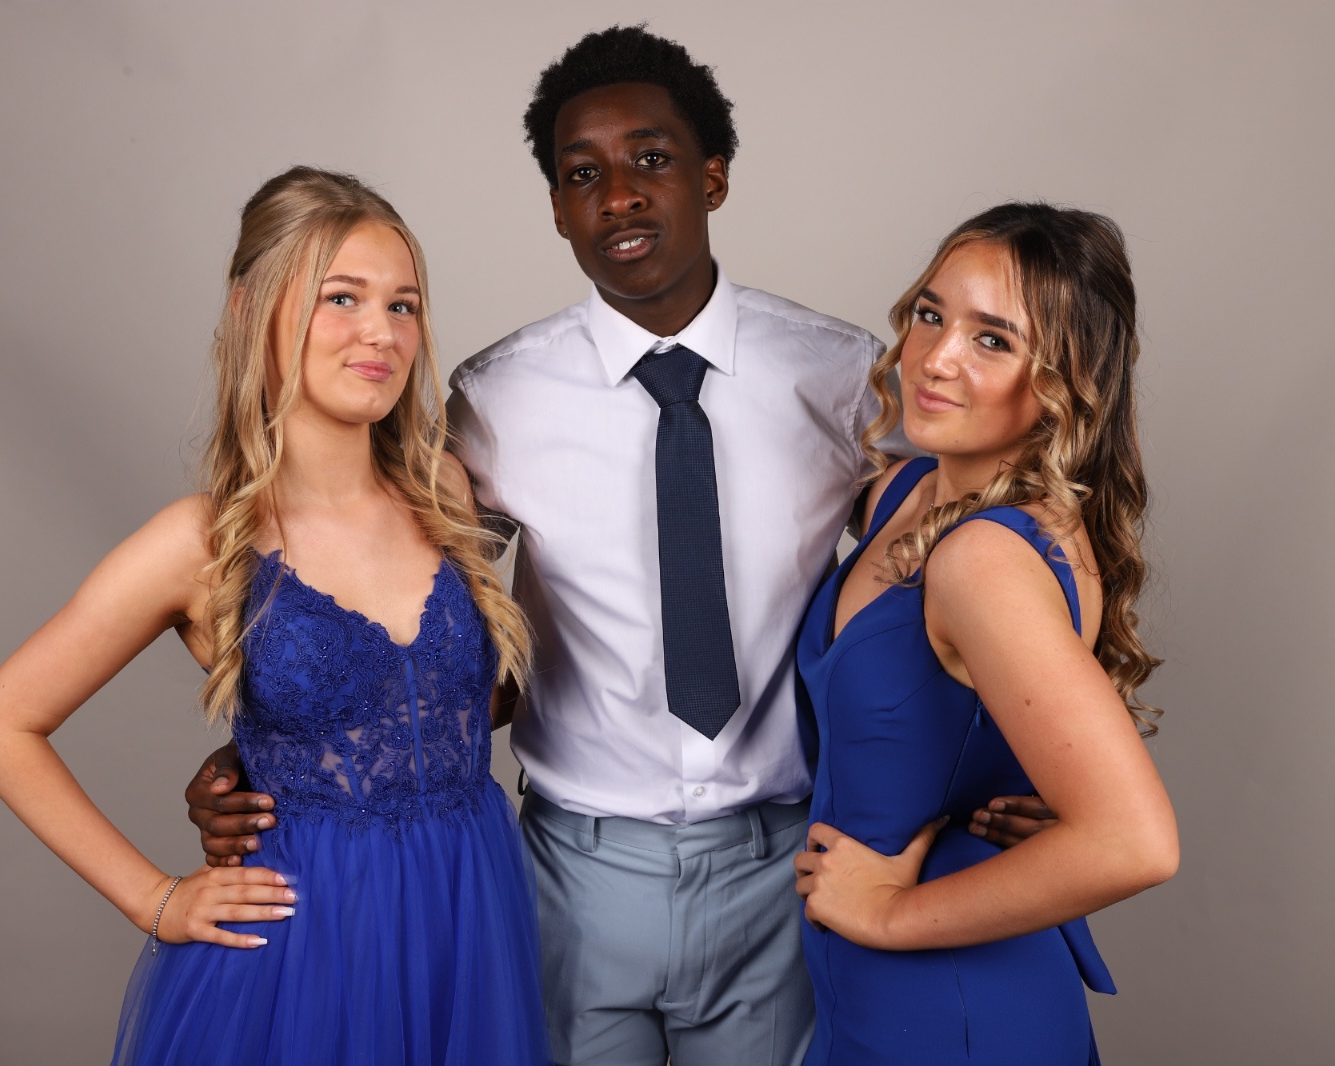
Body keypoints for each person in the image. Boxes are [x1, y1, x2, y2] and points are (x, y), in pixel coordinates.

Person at [187, 27, 1053, 1066]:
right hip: (574, 869)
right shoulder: (495, 398)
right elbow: (412, 627)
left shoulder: (840, 376)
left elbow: (978, 552)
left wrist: (1037, 753)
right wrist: (281, 750)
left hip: (779, 859)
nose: (620, 196)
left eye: (651, 159)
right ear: (558, 209)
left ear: (713, 175)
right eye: (582, 174)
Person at [0, 166, 551, 1065]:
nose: (381, 333)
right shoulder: (199, 542)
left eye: (403, 305)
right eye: (341, 298)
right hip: (303, 948)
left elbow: (447, 701)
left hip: (468, 916)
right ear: (253, 310)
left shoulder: (445, 491)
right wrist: (155, 898)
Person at [791, 203, 1180, 1064]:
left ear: (1065, 380)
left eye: (993, 340)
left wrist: (889, 913)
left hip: (949, 1002)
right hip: (878, 991)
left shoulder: (984, 561)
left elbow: (1135, 841)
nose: (935, 358)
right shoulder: (907, 491)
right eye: (932, 315)